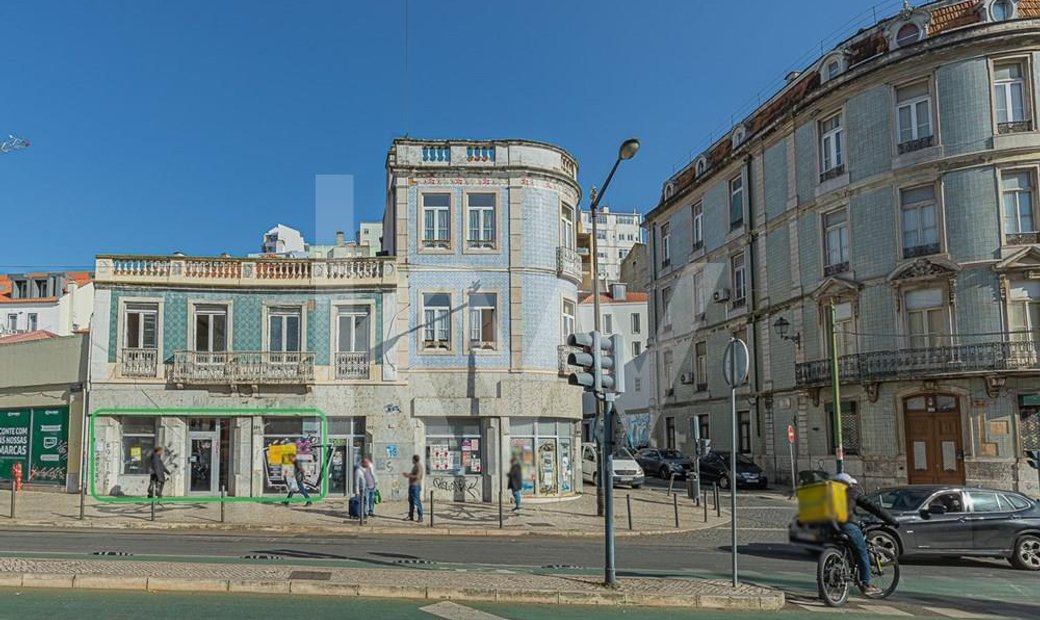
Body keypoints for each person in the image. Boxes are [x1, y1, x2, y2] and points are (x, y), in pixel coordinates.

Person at [832, 472, 898, 596]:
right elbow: (873, 508)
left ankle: (826, 581)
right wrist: (891, 520)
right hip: (846, 525)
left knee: (835, 549)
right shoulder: (852, 492)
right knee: (862, 551)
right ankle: (866, 584)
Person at [402, 454, 423, 522]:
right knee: (411, 501)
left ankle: (420, 516)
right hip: (412, 486)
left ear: (414, 459)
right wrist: (408, 475)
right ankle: (411, 516)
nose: (412, 460)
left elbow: (417, 476)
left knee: (417, 501)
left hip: (415, 486)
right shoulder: (415, 466)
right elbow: (414, 475)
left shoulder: (418, 467)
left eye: (412, 459)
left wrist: (408, 475)